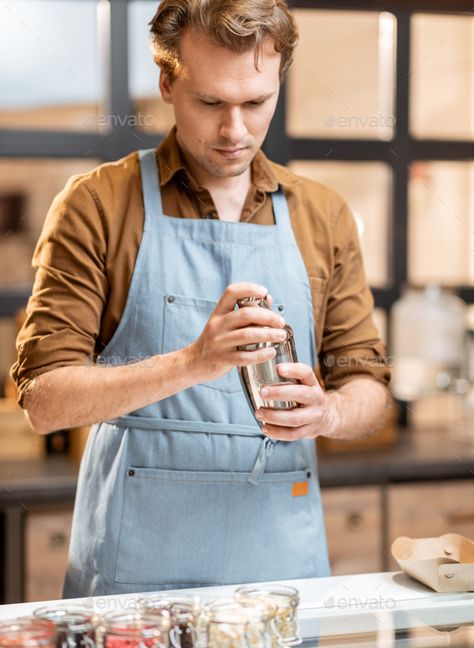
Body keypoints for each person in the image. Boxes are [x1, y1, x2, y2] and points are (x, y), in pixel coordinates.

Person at [11, 0, 391, 598]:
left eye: (256, 103)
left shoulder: (324, 215)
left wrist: (331, 413)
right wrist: (195, 363)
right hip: (134, 595)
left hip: (282, 585)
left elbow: (369, 386)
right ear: (167, 82)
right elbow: (44, 402)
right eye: (211, 102)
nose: (234, 130)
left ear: (279, 83)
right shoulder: (98, 206)